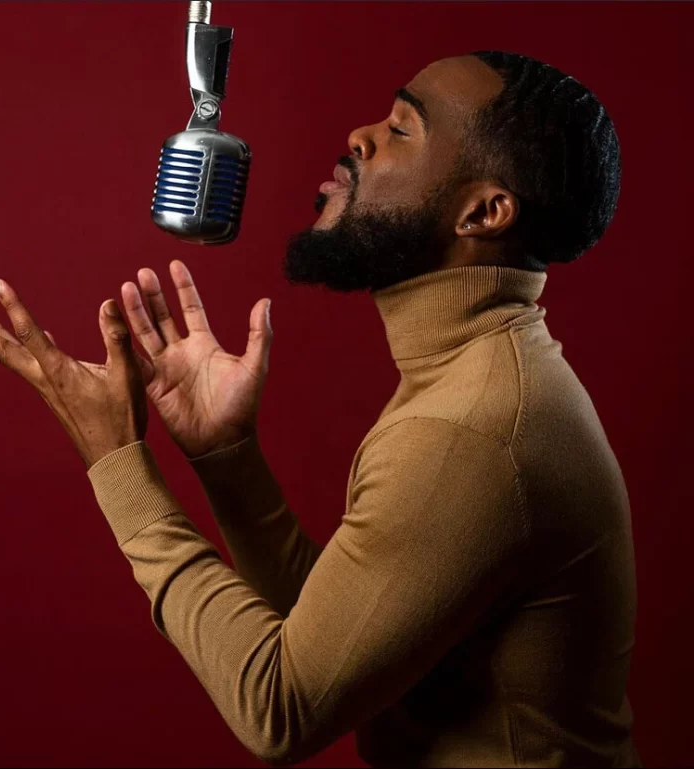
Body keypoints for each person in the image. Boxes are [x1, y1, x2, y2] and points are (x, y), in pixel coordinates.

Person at [85, 51, 638, 766]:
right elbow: (341, 636)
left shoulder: (471, 428)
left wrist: (116, 464)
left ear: (483, 211)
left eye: (402, 129)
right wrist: (226, 457)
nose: (359, 135)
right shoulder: (473, 375)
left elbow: (278, 703)